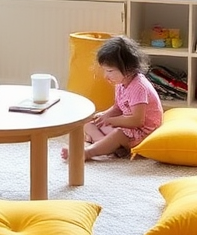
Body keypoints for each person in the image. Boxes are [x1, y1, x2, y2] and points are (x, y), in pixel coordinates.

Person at [62, 34, 163, 162]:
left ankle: (87, 152)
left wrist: (111, 121)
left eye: (110, 71)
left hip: (142, 133)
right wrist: (105, 115)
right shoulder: (121, 83)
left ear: (128, 69)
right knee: (88, 122)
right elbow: (118, 107)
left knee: (118, 134)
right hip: (128, 126)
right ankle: (107, 146)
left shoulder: (138, 87)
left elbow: (137, 120)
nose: (106, 76)